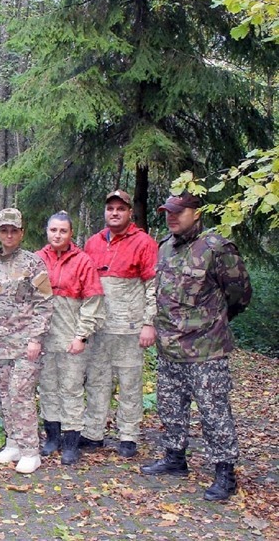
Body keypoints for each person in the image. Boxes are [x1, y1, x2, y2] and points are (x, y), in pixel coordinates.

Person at [140, 192, 251, 502]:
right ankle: (175, 458)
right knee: (170, 406)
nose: (171, 217)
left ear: (197, 213)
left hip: (206, 350)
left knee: (214, 412)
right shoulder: (165, 248)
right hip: (169, 348)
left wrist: (213, 321)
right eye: (167, 212)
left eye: (179, 212)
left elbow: (240, 293)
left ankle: (225, 472)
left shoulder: (215, 248)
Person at [80, 190, 158, 458]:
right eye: (110, 208)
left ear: (129, 213)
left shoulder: (144, 243)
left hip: (129, 327)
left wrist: (149, 323)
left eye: (120, 209)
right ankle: (93, 433)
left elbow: (152, 286)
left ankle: (128, 436)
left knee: (130, 383)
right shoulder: (93, 243)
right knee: (97, 382)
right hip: (99, 328)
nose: (114, 213)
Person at [0, 208, 54, 474]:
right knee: (4, 394)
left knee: (20, 394)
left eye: (14, 230)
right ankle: (13, 442)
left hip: (26, 345)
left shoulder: (34, 263)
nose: (9, 235)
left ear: (21, 233)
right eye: (4, 230)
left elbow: (45, 302)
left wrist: (36, 338)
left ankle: (30, 451)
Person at [36, 211, 104, 465]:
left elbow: (93, 302)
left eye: (63, 231)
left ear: (71, 233)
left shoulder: (83, 261)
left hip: (70, 336)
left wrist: (81, 335)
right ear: (47, 231)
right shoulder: (37, 260)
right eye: (53, 230)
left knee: (72, 389)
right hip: (44, 336)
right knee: (47, 388)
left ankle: (71, 442)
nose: (57, 235)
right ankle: (52, 438)